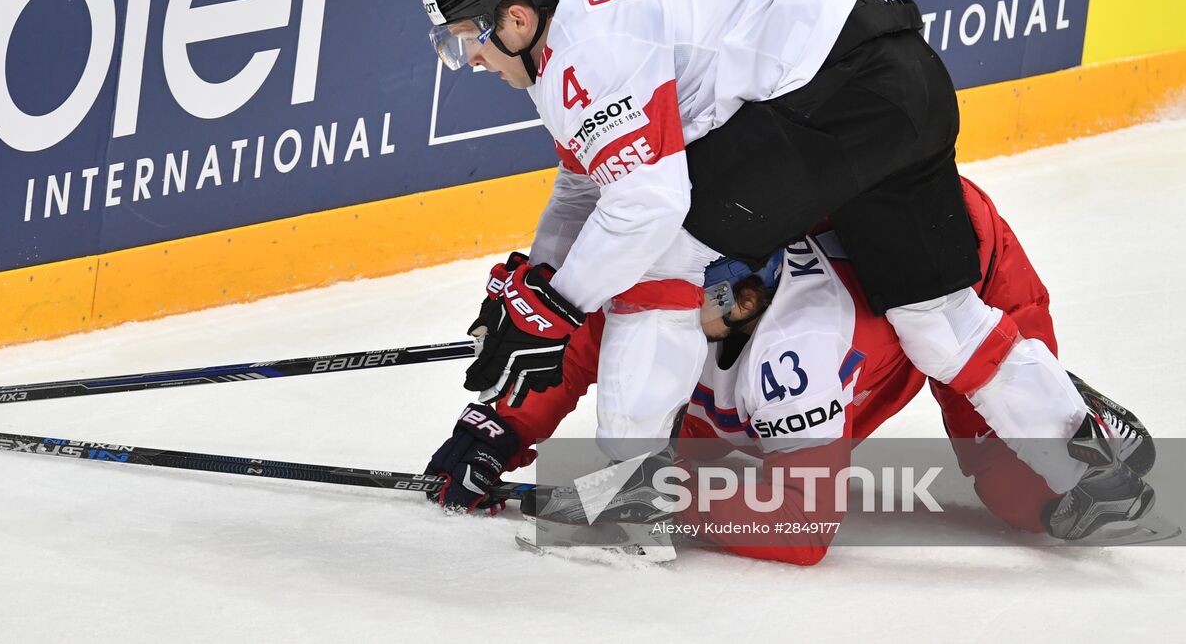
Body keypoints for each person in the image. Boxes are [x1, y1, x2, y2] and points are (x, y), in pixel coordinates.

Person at [421, 0, 1096, 499]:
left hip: (839, 96)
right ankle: (1089, 462)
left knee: (663, 262)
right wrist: (538, 283)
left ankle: (632, 492)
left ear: (515, 18)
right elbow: (580, 187)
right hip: (903, 81)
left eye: (464, 39)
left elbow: (647, 208)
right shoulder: (573, 37)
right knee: (938, 320)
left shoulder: (589, 53)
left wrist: (558, 305)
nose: (468, 59)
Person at [426, 178, 1164, 562]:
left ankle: (1072, 420)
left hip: (954, 262)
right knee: (690, 443)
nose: (689, 314)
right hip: (829, 259)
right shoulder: (680, 270)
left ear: (754, 296)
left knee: (1021, 499)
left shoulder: (795, 353)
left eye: (713, 304)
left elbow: (803, 524)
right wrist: (501, 421)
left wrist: (659, 499)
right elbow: (593, 329)